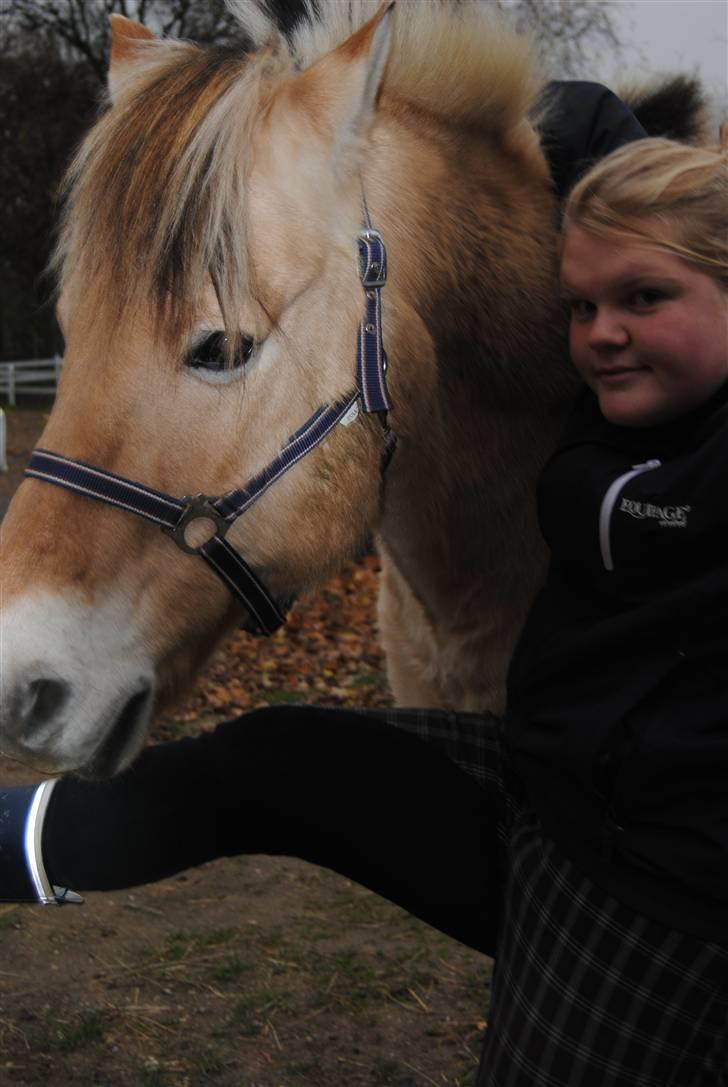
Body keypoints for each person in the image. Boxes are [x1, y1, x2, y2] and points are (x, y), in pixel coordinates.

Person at [2, 119, 728, 1084]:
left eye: (644, 297)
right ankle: (24, 839)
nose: (601, 333)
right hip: (555, 779)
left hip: (656, 880)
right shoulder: (609, 415)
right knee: (271, 761)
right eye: (582, 304)